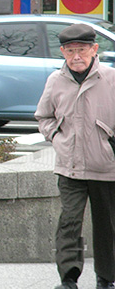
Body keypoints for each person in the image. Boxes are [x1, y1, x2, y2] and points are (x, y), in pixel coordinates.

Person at [35, 23, 115, 289]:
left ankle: (106, 277)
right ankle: (69, 278)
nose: (76, 57)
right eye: (70, 52)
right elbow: (44, 117)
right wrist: (58, 139)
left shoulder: (111, 78)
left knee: (108, 225)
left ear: (94, 50)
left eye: (81, 50)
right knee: (69, 221)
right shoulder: (55, 80)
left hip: (106, 165)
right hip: (69, 166)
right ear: (63, 52)